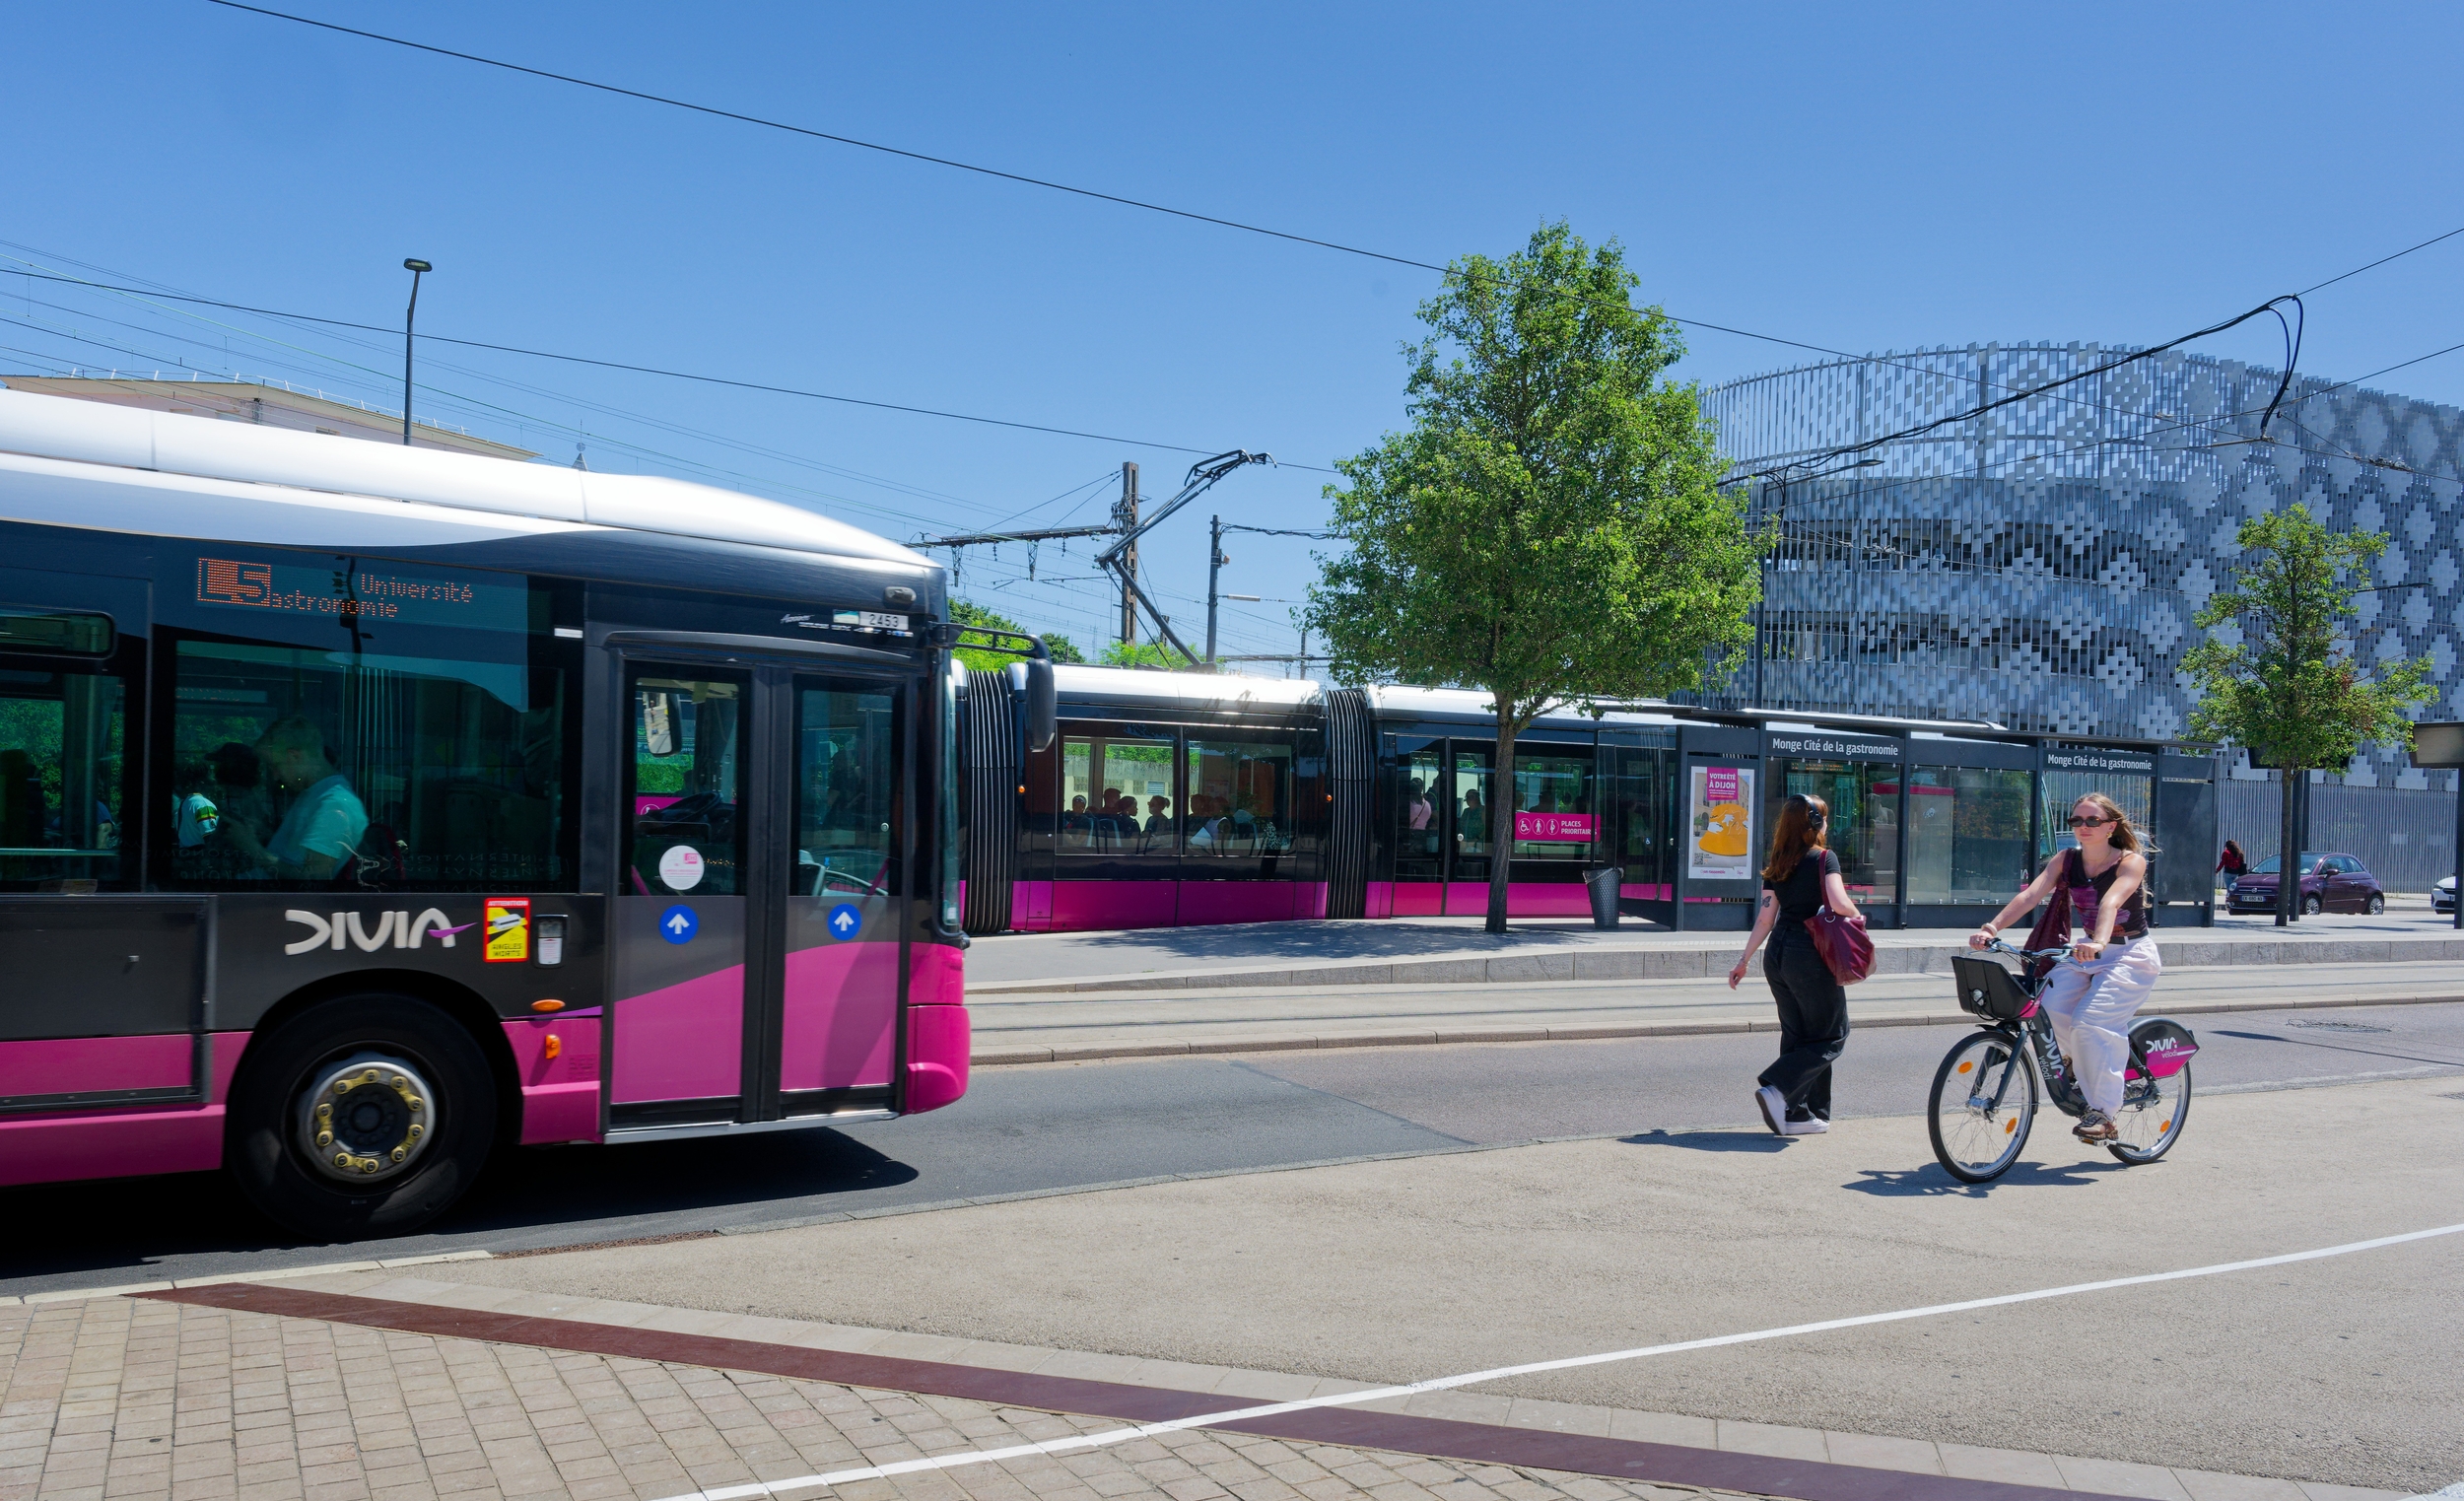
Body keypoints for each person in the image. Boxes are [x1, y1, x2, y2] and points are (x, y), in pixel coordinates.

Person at [1968, 792, 2158, 1144]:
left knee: (2093, 1021)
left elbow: (2111, 902)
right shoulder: (2067, 859)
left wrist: (2099, 942)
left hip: (2129, 954)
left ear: (2110, 826)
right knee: (2046, 1010)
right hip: (2086, 951)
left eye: (2092, 821)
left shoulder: (2130, 862)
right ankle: (2079, 1061)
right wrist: (1991, 929)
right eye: (2076, 821)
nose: (2082, 828)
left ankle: (2103, 1113)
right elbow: (2031, 895)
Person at [1729, 792, 1864, 1136]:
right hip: (1810, 954)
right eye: (1824, 817)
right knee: (1833, 1035)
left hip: (1777, 955)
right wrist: (1856, 912)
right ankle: (1778, 1088)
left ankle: (1800, 1114)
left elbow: (1764, 918)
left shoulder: (1779, 862)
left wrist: (1744, 960)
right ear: (1815, 823)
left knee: (1799, 1035)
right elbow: (1838, 901)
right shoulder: (1824, 858)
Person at [217, 717, 368, 882]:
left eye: (275, 766)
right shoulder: (313, 795)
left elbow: (312, 880)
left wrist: (251, 847)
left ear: (294, 756)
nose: (274, 776)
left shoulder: (334, 806)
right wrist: (264, 834)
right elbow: (294, 854)